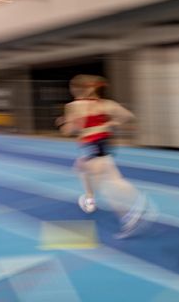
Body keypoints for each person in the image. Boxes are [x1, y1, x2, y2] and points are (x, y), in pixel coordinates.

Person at [57, 74, 155, 238]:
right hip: (102, 144)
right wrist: (109, 123)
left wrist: (62, 123)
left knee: (109, 183)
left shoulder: (74, 106)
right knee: (84, 168)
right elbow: (128, 116)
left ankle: (134, 208)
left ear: (77, 90)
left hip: (90, 145)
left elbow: (71, 129)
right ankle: (91, 199)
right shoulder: (107, 105)